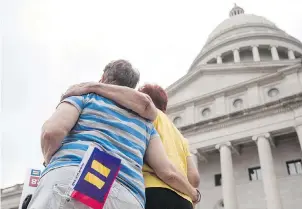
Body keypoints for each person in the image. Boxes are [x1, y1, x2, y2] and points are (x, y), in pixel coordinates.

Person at [28, 60, 199, 209]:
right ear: (132, 89)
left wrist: (50, 160)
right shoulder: (146, 124)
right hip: (128, 196)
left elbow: (51, 133)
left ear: (103, 78)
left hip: (76, 172)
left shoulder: (84, 95)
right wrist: (193, 193)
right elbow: (165, 169)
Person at [62, 83, 201, 209]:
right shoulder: (180, 136)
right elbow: (194, 177)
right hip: (185, 200)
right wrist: (192, 193)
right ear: (165, 106)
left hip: (151, 192)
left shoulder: (146, 118)